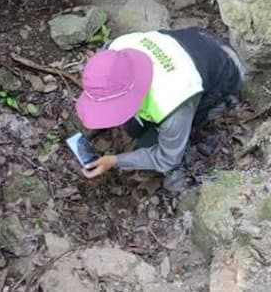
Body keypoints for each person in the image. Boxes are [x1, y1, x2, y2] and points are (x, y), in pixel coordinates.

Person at [74, 27, 246, 192]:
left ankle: (183, 167)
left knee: (149, 142)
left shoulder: (174, 101)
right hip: (195, 39)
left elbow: (166, 158)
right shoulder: (115, 49)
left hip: (226, 72)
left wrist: (115, 161)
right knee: (134, 129)